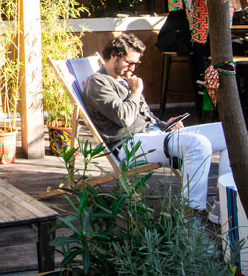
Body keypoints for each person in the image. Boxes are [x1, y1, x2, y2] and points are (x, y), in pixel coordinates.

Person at [82, 33, 231, 220]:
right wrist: (135, 93)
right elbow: (124, 119)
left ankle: (222, 205)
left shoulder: (125, 78)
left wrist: (165, 124)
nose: (133, 67)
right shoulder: (98, 82)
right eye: (130, 62)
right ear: (114, 55)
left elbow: (146, 116)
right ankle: (190, 215)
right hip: (130, 145)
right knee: (198, 144)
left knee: (229, 133)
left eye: (136, 63)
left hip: (154, 135)